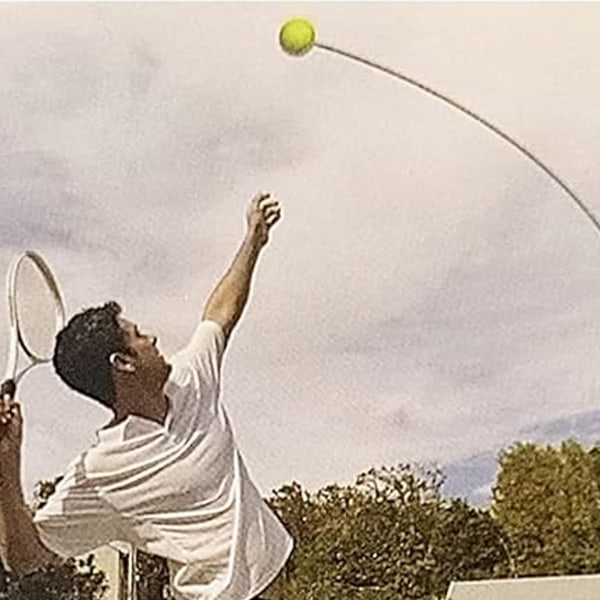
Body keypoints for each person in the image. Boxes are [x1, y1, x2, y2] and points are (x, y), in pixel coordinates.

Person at [0, 192, 292, 600]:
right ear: (124, 363)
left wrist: (253, 240)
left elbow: (219, 313)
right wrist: (7, 469)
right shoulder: (102, 471)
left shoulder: (192, 380)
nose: (153, 338)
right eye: (138, 336)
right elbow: (26, 556)